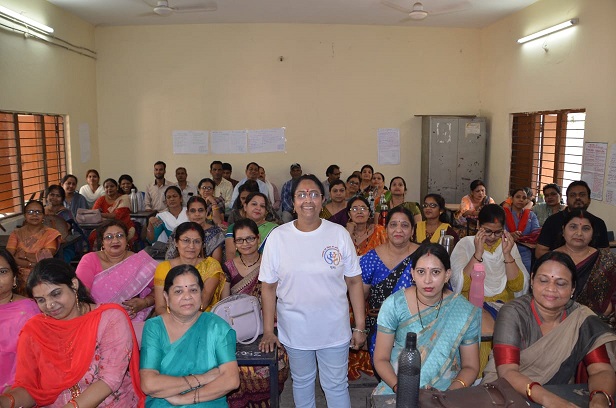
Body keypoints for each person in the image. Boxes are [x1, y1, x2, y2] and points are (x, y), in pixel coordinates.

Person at [259, 174, 367, 408]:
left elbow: (354, 281)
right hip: (295, 329)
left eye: (314, 194)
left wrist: (359, 326)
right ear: (293, 202)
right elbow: (268, 287)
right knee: (302, 382)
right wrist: (268, 331)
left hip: (334, 328)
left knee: (336, 385)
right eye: (301, 195)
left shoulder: (338, 234)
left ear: (322, 200)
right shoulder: (278, 237)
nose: (308, 200)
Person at [0, 258, 144, 407]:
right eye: (41, 300)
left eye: (56, 294)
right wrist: (5, 402)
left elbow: (109, 380)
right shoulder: (35, 330)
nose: (50, 305)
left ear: (74, 284)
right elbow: (30, 389)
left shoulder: (109, 318)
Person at [483, 252, 616, 408]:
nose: (551, 289)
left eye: (561, 283)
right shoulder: (513, 312)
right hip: (506, 392)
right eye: (543, 280)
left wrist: (600, 399)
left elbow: (600, 369)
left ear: (573, 288)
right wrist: (552, 401)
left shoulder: (581, 318)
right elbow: (507, 372)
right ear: (532, 280)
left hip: (558, 392)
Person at [373, 243, 481, 394]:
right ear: (412, 274)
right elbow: (381, 359)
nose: (427, 280)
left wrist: (445, 395)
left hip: (446, 390)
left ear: (447, 275)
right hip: (397, 385)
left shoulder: (464, 311)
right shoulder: (395, 305)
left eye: (435, 272)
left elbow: (471, 367)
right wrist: (400, 388)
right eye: (421, 272)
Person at [140, 264, 239, 407]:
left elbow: (231, 380)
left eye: (193, 290)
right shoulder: (154, 327)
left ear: (201, 294)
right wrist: (202, 378)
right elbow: (149, 384)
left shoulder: (216, 327)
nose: (187, 296)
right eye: (178, 291)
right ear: (166, 297)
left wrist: (183, 399)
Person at [450, 204, 529, 373]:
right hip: (472, 304)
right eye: (487, 231)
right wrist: (478, 253)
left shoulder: (508, 245)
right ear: (478, 225)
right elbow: (462, 284)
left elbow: (517, 286)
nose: (492, 237)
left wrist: (507, 255)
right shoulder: (465, 244)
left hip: (504, 305)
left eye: (498, 232)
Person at [221, 219, 290, 408]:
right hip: (240, 327)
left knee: (278, 361)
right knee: (234, 367)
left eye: (250, 238)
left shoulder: (271, 263)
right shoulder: (228, 266)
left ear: (258, 238)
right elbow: (226, 302)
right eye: (240, 240)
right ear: (234, 243)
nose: (245, 244)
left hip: (272, 323)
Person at [361, 207, 419, 368]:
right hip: (380, 330)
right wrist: (360, 328)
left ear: (412, 230)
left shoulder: (424, 256)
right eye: (393, 225)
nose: (398, 230)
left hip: (418, 329)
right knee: (385, 371)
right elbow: (360, 297)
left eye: (405, 225)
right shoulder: (370, 259)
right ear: (386, 229)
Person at [76, 220, 157, 323]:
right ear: (102, 242)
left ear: (126, 240)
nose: (115, 241)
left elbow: (161, 288)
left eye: (120, 236)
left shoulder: (139, 262)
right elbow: (81, 294)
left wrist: (145, 302)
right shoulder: (90, 260)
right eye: (109, 237)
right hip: (95, 317)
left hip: (131, 319)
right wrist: (105, 313)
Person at [554, 209, 616, 327]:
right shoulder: (550, 260)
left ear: (593, 233)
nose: (579, 233)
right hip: (558, 324)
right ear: (563, 230)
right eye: (573, 227)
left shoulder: (606, 259)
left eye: (586, 229)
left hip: (601, 325)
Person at [153, 222, 225, 315]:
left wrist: (183, 321)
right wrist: (173, 321)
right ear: (176, 242)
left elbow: (203, 303)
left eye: (197, 241)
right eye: (186, 240)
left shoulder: (211, 266)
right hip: (169, 319)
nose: (191, 246)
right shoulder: (164, 268)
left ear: (202, 244)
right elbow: (160, 307)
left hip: (202, 318)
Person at [536, 180, 609, 259]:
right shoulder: (552, 221)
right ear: (567, 200)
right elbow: (540, 252)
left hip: (591, 266)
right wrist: (565, 262)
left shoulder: (599, 223)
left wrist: (584, 262)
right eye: (573, 195)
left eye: (582, 195)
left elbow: (605, 256)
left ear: (589, 200)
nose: (577, 198)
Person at [0, 249, 39, 392]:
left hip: (17, 392)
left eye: (2, 272)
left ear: (14, 277)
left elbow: (37, 361)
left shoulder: (28, 310)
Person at [6, 200, 61, 281]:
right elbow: (8, 257)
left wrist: (24, 255)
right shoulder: (16, 233)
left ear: (43, 215)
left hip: (42, 275)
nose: (34, 215)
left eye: (38, 212)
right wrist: (30, 263)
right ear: (25, 215)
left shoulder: (51, 233)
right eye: (30, 212)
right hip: (17, 276)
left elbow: (45, 258)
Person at [165, 196, 225, 263]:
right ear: (187, 213)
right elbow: (169, 258)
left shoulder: (216, 233)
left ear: (206, 212)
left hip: (207, 269)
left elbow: (216, 263)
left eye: (200, 210)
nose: (197, 214)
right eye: (193, 211)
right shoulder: (179, 230)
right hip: (180, 268)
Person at [225, 192, 278, 261]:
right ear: (245, 207)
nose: (258, 208)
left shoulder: (275, 230)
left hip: (265, 266)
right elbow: (231, 255)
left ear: (266, 211)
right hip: (237, 266)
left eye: (262, 206)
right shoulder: (233, 228)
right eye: (254, 204)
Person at [504, 187, 540, 272]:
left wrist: (520, 239)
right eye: (518, 197)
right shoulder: (503, 214)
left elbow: (535, 234)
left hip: (525, 251)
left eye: (524, 198)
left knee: (526, 275)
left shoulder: (531, 215)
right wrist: (510, 235)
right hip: (505, 249)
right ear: (512, 198)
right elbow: (499, 231)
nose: (521, 200)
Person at [93, 178, 136, 243]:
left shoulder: (124, 198)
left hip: (124, 226)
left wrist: (100, 214)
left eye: (112, 186)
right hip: (105, 227)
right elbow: (93, 213)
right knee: (93, 237)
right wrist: (98, 214)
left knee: (119, 240)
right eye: (106, 187)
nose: (109, 188)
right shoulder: (101, 199)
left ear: (117, 187)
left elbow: (116, 216)